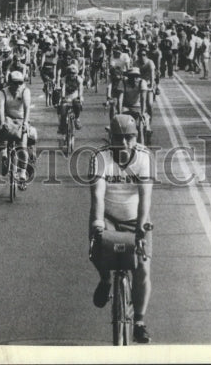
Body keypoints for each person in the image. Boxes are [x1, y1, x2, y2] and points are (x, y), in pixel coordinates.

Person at [89, 113, 154, 344]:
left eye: (129, 138)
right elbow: (97, 195)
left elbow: (146, 197)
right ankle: (106, 279)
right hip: (108, 216)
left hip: (135, 217)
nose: (124, 144)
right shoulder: (100, 157)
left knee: (143, 268)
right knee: (96, 250)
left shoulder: (144, 157)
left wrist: (140, 228)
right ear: (111, 138)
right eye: (119, 138)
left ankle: (138, 321)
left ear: (136, 138)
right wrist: (98, 224)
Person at [0, 69, 36, 183]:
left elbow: (27, 107)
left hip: (22, 119)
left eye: (20, 82)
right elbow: (0, 109)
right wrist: (2, 123)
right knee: (2, 135)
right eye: (15, 82)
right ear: (9, 82)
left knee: (22, 147)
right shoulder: (3, 92)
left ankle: (22, 172)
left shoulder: (25, 91)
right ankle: (3, 153)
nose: (17, 85)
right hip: (8, 120)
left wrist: (26, 123)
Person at [57, 61, 84, 136]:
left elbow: (80, 88)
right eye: (70, 73)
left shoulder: (79, 79)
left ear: (76, 73)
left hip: (75, 96)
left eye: (73, 73)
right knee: (62, 109)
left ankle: (77, 119)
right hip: (66, 96)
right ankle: (62, 126)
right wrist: (63, 97)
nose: (72, 75)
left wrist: (80, 97)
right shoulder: (64, 79)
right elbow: (63, 88)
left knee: (77, 105)